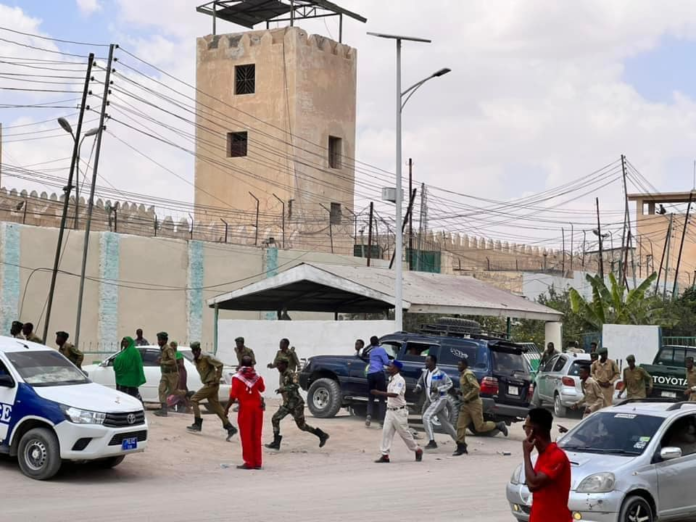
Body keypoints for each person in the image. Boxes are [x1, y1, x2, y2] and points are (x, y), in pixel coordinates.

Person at [266, 357, 329, 451]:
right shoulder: (283, 374)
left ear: (284, 365)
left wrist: (284, 389)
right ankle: (276, 442)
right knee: (275, 418)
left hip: (296, 404)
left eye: (279, 365)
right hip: (287, 404)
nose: (278, 367)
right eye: (277, 365)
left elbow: (296, 385)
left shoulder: (291, 373)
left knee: (302, 426)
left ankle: (322, 435)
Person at [522, 408, 572, 522]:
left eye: (526, 426)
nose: (525, 430)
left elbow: (533, 485)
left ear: (532, 431)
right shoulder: (542, 454)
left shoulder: (556, 456)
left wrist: (526, 454)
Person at [453, 357, 508, 456]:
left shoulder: (468, 374)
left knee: (479, 427)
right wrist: (461, 392)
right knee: (460, 426)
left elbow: (476, 388)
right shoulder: (462, 375)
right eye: (458, 364)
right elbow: (468, 388)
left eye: (460, 364)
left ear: (465, 365)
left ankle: (498, 425)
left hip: (474, 404)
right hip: (466, 405)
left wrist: (466, 397)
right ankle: (461, 447)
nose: (458, 366)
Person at [373, 360, 423, 463]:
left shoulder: (400, 380)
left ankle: (417, 449)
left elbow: (395, 394)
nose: (388, 367)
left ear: (396, 368)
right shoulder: (391, 379)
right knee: (386, 432)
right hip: (390, 410)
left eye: (390, 366)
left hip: (399, 412)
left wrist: (379, 393)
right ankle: (385, 455)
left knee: (404, 434)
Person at [187, 342, 238, 440]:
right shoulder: (196, 360)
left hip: (211, 384)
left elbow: (220, 365)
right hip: (208, 384)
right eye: (193, 351)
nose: (195, 353)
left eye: (196, 351)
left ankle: (197, 423)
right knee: (216, 406)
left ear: (199, 350)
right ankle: (230, 427)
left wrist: (217, 378)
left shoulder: (206, 358)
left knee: (193, 399)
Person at [226, 355, 265, 470]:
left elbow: (233, 396)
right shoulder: (257, 377)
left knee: (246, 435)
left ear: (241, 364)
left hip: (245, 410)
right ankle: (257, 462)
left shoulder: (237, 377)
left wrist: (226, 408)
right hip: (258, 409)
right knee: (256, 435)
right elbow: (262, 389)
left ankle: (249, 462)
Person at [415, 354, 457, 449]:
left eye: (427, 361)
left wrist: (438, 389)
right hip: (431, 400)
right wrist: (418, 387)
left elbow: (450, 383)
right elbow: (420, 381)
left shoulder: (441, 374)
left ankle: (432, 441)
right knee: (446, 424)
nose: (425, 363)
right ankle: (460, 442)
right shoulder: (425, 373)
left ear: (433, 362)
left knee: (426, 416)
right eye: (425, 361)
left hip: (440, 399)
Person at [154, 332, 185, 417]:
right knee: (161, 389)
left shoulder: (168, 349)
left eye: (160, 340)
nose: (158, 341)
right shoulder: (163, 349)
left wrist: (162, 362)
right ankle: (163, 409)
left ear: (164, 340)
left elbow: (173, 361)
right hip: (165, 374)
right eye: (158, 340)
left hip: (172, 374)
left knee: (173, 391)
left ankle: (187, 394)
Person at [365, 336, 389, 428]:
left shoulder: (371, 352)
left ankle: (368, 416)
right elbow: (386, 362)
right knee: (381, 397)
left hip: (370, 374)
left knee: (371, 396)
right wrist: (393, 363)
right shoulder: (381, 350)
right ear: (378, 342)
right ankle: (381, 421)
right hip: (379, 374)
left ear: (371, 343)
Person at [168, 341, 190, 413]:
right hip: (174, 373)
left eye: (174, 346)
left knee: (179, 388)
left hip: (181, 373)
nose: (172, 347)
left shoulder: (178, 354)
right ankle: (180, 405)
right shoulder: (171, 354)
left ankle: (186, 406)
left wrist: (173, 363)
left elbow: (181, 365)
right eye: (171, 346)